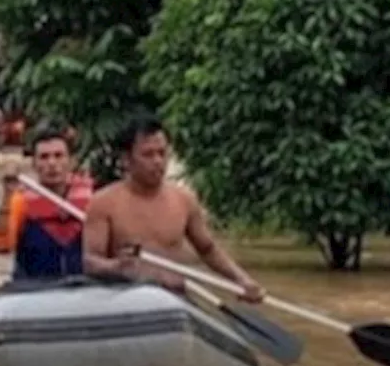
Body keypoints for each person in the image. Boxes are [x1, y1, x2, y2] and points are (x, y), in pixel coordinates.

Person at [84, 114, 266, 303]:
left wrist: (242, 280)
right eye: (148, 154)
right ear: (127, 159)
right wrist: (116, 267)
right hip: (128, 301)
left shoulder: (184, 199)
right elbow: (88, 261)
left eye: (162, 153)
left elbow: (208, 250)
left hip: (175, 300)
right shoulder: (103, 203)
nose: (157, 161)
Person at [0, 126, 95, 280]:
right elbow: (0, 246)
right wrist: (7, 196)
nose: (52, 163)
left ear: (71, 162)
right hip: (34, 290)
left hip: (84, 288)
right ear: (34, 164)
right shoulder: (20, 200)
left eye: (59, 156)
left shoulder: (94, 196)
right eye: (44, 157)